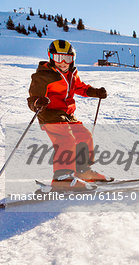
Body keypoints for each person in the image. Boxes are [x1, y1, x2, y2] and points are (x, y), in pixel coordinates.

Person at [27, 39, 111, 191]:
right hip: (50, 115)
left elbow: (80, 87)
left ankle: (82, 171)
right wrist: (37, 102)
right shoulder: (42, 76)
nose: (63, 62)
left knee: (84, 136)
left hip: (67, 115)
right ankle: (62, 177)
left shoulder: (71, 74)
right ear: (51, 57)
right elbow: (33, 98)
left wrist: (94, 91)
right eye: (59, 58)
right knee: (66, 140)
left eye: (68, 58)